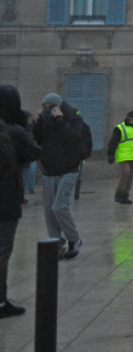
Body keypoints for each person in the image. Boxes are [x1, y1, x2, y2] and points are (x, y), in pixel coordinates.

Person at [1, 85, 41, 318]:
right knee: (2, 251)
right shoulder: (13, 130)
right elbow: (33, 152)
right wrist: (24, 125)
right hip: (5, 200)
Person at [32, 93, 86, 259]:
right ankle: (56, 243)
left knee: (59, 207)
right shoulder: (44, 122)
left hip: (69, 169)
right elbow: (35, 140)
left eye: (52, 106)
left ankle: (74, 239)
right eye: (45, 107)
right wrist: (39, 122)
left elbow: (74, 139)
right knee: (49, 210)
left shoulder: (73, 119)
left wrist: (60, 121)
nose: (49, 110)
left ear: (59, 106)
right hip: (49, 171)